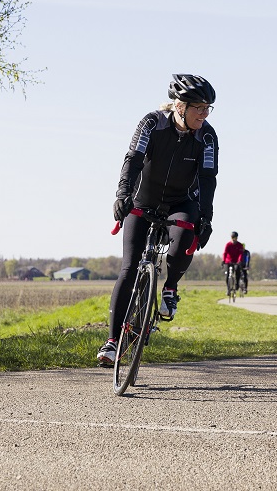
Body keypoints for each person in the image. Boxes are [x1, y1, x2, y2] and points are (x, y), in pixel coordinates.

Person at [97, 74, 219, 366]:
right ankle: (113, 342)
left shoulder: (208, 136)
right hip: (143, 199)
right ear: (180, 106)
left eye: (208, 108)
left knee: (185, 238)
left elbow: (207, 178)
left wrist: (206, 217)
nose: (204, 114)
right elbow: (133, 159)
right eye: (199, 107)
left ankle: (170, 288)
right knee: (129, 267)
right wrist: (122, 195)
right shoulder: (151, 123)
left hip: (182, 202)